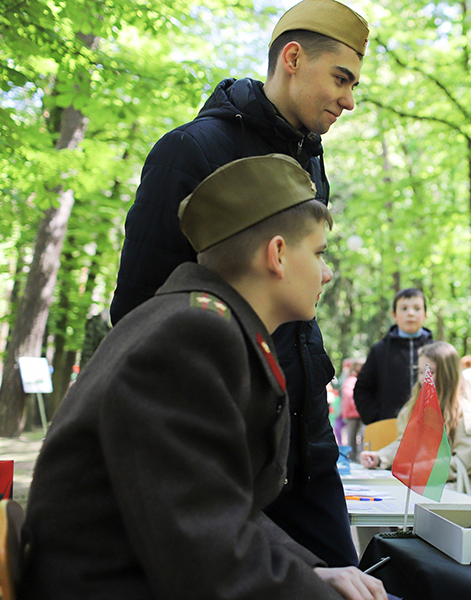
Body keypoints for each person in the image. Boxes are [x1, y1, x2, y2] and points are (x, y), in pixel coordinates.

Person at [20, 155, 386, 600]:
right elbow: (204, 556)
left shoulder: (196, 320)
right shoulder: (192, 336)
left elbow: (217, 505)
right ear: (278, 254)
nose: (327, 273)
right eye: (319, 253)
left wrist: (311, 570)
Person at [107, 0, 369, 567]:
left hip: (307, 438)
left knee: (349, 577)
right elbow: (136, 313)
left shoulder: (312, 161)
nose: (350, 100)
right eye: (342, 79)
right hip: (225, 438)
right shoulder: (192, 150)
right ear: (293, 58)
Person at [359, 342, 471, 496]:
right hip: (417, 487)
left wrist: (423, 469)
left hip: (452, 494)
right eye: (420, 372)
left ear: (448, 375)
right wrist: (380, 457)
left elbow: (462, 463)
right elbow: (404, 444)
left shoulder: (466, 414)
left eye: (430, 372)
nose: (423, 378)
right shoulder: (414, 407)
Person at [354, 288, 434, 424]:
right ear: (394, 315)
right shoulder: (380, 350)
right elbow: (362, 390)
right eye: (404, 308)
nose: (410, 313)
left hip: (430, 428)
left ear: (425, 314)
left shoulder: (436, 351)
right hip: (389, 428)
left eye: (417, 308)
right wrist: (376, 418)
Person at [341, 358, 364, 461]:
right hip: (353, 413)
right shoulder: (351, 380)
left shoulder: (355, 380)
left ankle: (357, 457)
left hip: (357, 412)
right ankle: (353, 458)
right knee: (352, 436)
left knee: (359, 436)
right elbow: (349, 397)